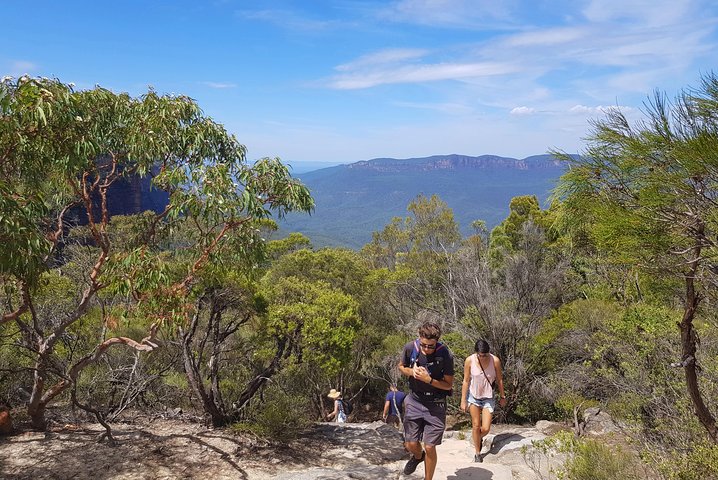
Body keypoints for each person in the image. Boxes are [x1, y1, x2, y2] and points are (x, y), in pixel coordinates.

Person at [398, 322, 454, 480]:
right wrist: (411, 371)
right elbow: (401, 366)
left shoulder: (445, 354)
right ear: (419, 337)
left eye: (431, 346)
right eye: (423, 345)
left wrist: (429, 380)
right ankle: (417, 456)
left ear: (437, 341)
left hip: (436, 403)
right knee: (410, 444)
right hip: (414, 400)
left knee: (430, 446)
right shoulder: (410, 348)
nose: (426, 349)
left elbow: (448, 384)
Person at [460, 339, 506, 462]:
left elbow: (500, 379)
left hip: (488, 397)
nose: (483, 357)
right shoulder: (470, 360)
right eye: (480, 355)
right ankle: (477, 453)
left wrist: (502, 396)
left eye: (485, 355)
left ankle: (477, 438)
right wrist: (463, 400)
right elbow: (465, 380)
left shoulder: (494, 360)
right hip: (474, 396)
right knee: (476, 425)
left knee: (485, 428)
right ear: (476, 353)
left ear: (488, 353)